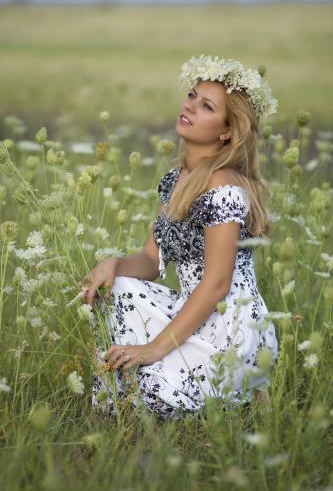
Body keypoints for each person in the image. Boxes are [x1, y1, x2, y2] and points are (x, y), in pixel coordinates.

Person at [78, 54, 279, 420]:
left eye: (207, 106)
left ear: (227, 131)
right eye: (191, 96)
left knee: (141, 395)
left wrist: (153, 349)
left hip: (229, 329)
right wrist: (113, 263)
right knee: (118, 286)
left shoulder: (223, 187)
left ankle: (242, 392)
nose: (190, 106)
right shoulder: (176, 181)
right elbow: (151, 262)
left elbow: (217, 283)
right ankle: (223, 391)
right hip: (195, 313)